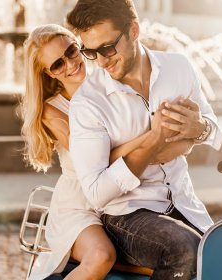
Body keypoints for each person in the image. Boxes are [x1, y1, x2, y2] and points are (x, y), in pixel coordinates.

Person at [21, 23, 196, 280]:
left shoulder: (111, 82)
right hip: (80, 206)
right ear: (47, 73)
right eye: (57, 64)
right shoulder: (52, 110)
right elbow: (98, 158)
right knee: (101, 257)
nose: (70, 64)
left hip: (122, 198)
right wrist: (154, 137)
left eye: (71, 51)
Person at [66, 1, 222, 279]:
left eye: (107, 48)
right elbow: (97, 191)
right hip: (125, 214)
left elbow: (214, 130)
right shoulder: (88, 103)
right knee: (184, 250)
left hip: (185, 202)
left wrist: (197, 128)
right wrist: (156, 139)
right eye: (90, 52)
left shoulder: (179, 67)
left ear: (134, 30)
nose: (101, 61)